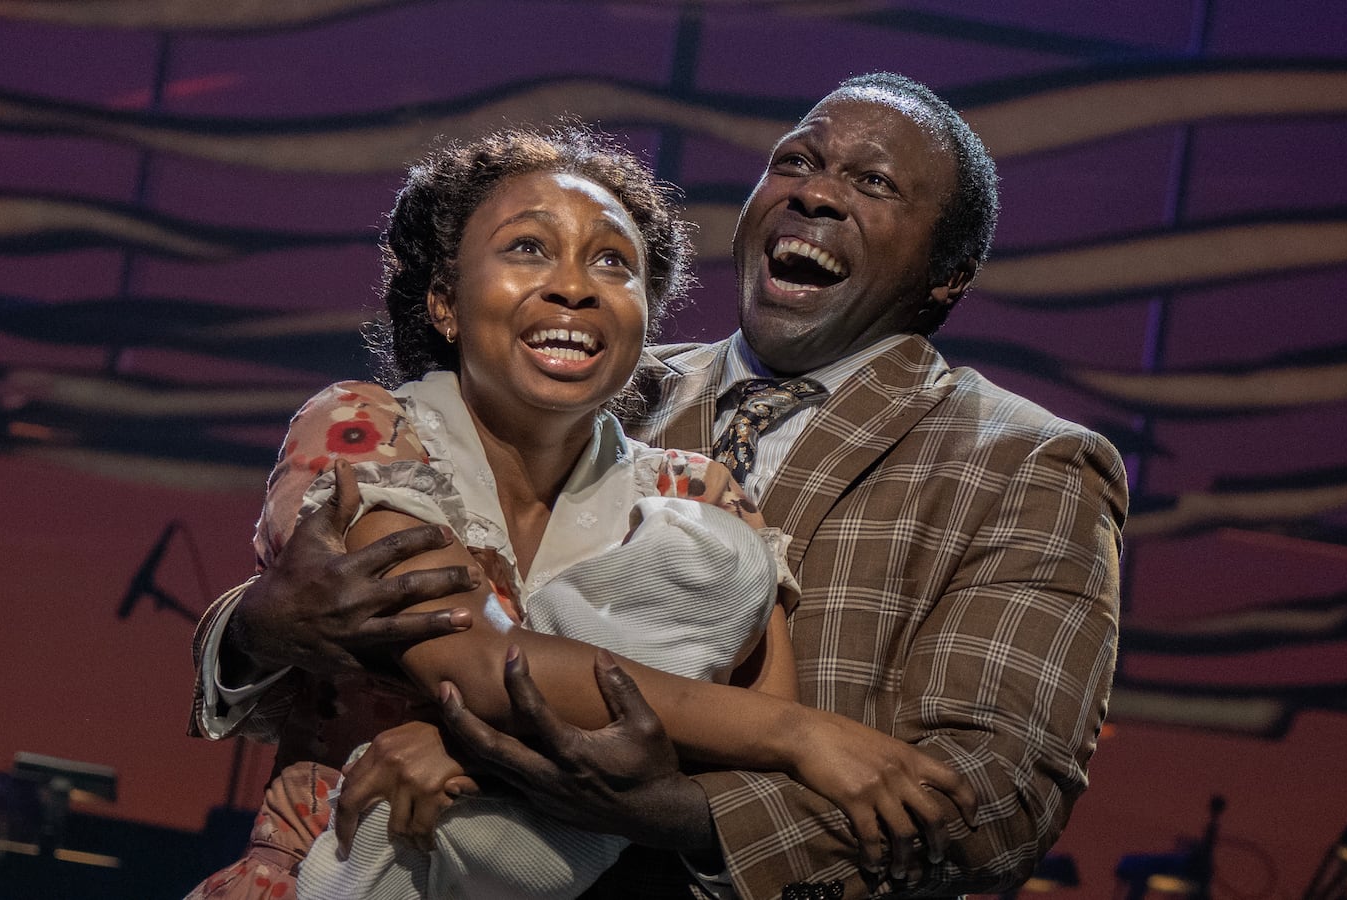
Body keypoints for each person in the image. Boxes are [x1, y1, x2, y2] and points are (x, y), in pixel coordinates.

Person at [335, 73, 1129, 899]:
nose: (816, 194)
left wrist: (672, 810)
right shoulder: (590, 379)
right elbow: (393, 564)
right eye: (796, 161)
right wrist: (253, 630)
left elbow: (991, 799)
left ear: (947, 275)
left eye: (872, 182)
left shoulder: (1030, 464)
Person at [186, 124, 976, 900]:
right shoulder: (363, 429)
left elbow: (740, 760)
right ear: (444, 303)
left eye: (613, 262)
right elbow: (471, 662)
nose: (575, 284)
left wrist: (468, 756)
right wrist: (806, 738)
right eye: (528, 247)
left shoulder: (698, 494)